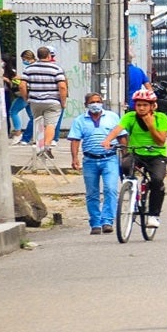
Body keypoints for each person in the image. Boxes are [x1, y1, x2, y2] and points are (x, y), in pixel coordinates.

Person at [101, 88, 167, 229]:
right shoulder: (130, 117)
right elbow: (117, 129)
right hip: (136, 152)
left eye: (145, 105)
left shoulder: (161, 118)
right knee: (125, 165)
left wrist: (151, 125)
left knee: (157, 180)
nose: (142, 108)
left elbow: (160, 141)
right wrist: (108, 140)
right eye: (139, 105)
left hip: (156, 154)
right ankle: (131, 189)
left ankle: (153, 215)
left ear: (152, 106)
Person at [67, 93, 121, 235]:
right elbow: (75, 140)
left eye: (98, 101)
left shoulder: (112, 117)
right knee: (92, 193)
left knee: (110, 189)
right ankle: (95, 222)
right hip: (90, 160)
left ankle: (107, 221)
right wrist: (74, 158)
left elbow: (122, 136)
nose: (95, 104)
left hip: (109, 159)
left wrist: (126, 156)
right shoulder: (80, 120)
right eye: (92, 102)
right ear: (86, 105)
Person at [19, 46, 66, 156]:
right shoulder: (56, 69)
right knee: (50, 124)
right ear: (49, 56)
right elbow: (62, 87)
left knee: (38, 123)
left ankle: (39, 146)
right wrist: (63, 102)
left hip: (35, 101)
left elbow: (22, 85)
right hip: (53, 101)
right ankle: (46, 146)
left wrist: (26, 98)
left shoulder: (29, 69)